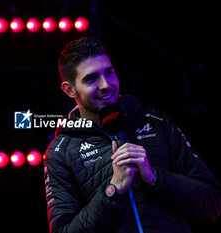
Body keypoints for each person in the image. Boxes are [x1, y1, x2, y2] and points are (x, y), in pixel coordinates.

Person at [43, 37, 221, 233]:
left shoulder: (156, 122)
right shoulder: (60, 152)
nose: (106, 85)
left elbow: (211, 204)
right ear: (69, 90)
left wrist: (154, 178)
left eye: (109, 73)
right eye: (91, 79)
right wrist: (112, 190)